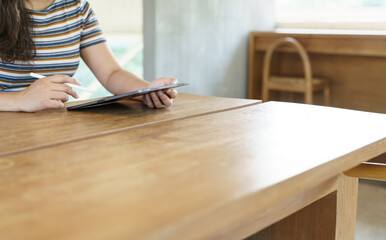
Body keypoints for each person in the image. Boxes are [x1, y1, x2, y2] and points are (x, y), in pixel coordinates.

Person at [0, 0, 178, 112]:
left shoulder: (77, 8)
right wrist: (20, 99)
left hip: (53, 130)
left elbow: (111, 74)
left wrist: (147, 90)